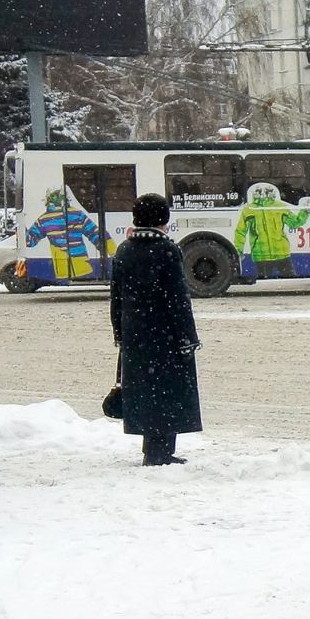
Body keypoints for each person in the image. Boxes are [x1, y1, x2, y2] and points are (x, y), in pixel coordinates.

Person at [110, 194, 202, 465]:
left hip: (135, 332)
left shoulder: (125, 249)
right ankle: (162, 451)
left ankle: (150, 448)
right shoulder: (166, 250)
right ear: (163, 219)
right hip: (165, 333)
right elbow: (177, 298)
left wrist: (120, 331)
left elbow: (116, 296)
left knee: (146, 390)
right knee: (167, 391)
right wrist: (187, 336)